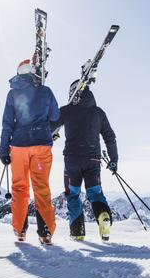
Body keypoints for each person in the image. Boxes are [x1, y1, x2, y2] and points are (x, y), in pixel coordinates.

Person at [0, 59, 60, 244]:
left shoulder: (12, 94)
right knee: (41, 187)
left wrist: (3, 149)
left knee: (19, 187)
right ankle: (45, 233)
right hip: (41, 145)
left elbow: (7, 123)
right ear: (33, 72)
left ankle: (20, 230)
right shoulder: (45, 91)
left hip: (19, 147)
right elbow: (55, 116)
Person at [51, 80, 118, 241]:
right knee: (95, 193)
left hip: (72, 160)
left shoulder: (66, 111)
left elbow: (49, 127)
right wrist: (114, 159)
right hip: (93, 160)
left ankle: (77, 232)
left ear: (73, 92)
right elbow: (109, 136)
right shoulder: (98, 113)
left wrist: (53, 135)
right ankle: (103, 216)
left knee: (73, 194)